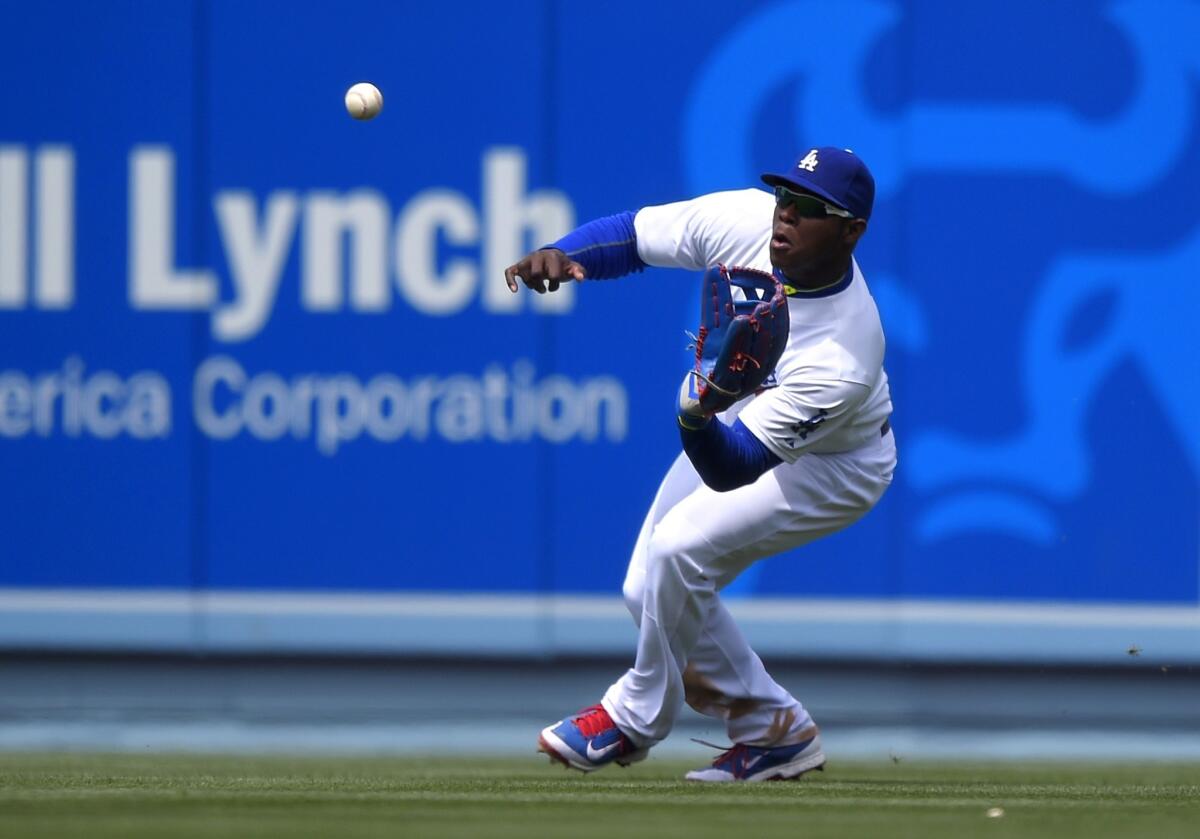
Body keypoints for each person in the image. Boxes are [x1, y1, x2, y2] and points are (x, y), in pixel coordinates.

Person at [504, 147, 896, 782]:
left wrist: (697, 410)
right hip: (747, 421)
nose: (786, 217)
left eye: (810, 210)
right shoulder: (749, 219)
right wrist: (566, 251)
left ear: (852, 230)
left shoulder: (845, 352)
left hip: (836, 463)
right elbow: (635, 235)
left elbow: (732, 468)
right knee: (647, 588)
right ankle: (776, 729)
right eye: (786, 198)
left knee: (679, 550)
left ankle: (631, 720)